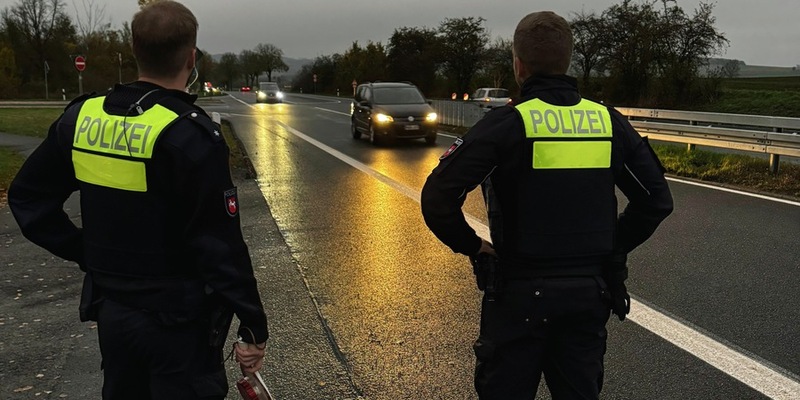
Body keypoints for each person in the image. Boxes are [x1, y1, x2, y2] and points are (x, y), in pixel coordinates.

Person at [8, 1, 268, 399]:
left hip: (114, 315)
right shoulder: (189, 135)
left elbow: (28, 198)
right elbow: (220, 247)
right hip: (179, 326)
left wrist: (85, 252)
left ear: (134, 49)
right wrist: (252, 326)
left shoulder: (81, 119)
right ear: (191, 57)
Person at [421, 11, 674, 400]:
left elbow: (438, 199)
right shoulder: (607, 122)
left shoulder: (507, 124)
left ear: (518, 65)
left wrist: (474, 247)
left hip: (518, 293)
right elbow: (656, 200)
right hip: (588, 295)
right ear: (568, 61)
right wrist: (612, 246)